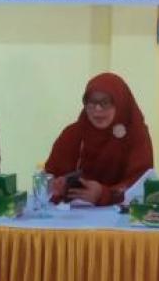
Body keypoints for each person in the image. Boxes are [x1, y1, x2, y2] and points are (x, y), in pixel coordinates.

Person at [46, 72, 153, 206]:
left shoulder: (136, 135)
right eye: (91, 102)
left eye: (105, 102)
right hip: (75, 214)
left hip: (123, 214)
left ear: (121, 103)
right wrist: (57, 186)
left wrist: (104, 194)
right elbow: (49, 178)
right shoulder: (73, 134)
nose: (97, 109)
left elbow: (141, 183)